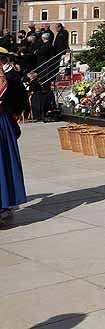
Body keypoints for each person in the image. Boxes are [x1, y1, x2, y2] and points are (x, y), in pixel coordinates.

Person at [0, 47, 27, 223]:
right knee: (4, 162)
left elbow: (19, 100)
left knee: (3, 162)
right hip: (3, 121)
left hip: (2, 121)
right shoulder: (9, 78)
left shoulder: (9, 78)